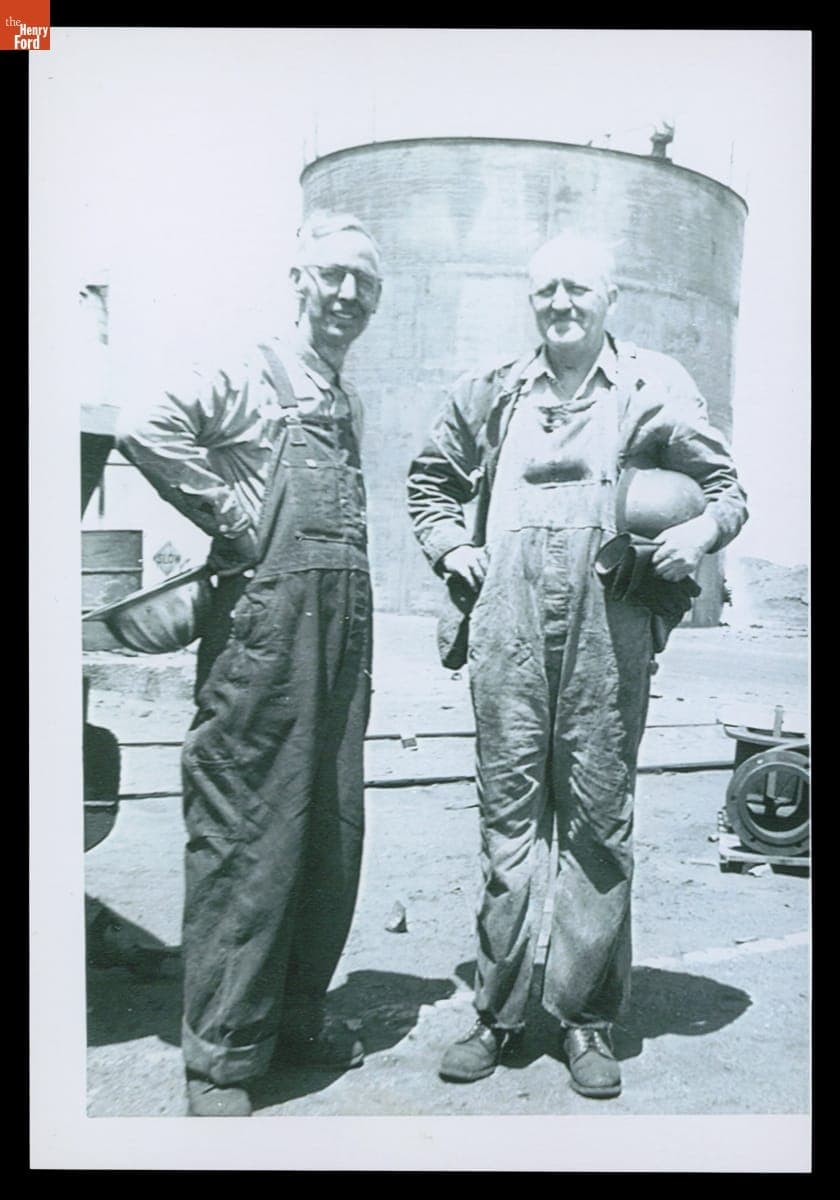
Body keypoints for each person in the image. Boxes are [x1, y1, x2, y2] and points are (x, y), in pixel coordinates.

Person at [406, 232, 747, 1099]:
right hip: (507, 631)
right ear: (533, 301)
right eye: (547, 290)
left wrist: (697, 535)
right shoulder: (491, 392)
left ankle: (587, 1020)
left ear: (610, 298)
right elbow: (428, 483)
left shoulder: (651, 390)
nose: (561, 303)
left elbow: (727, 491)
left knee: (597, 825)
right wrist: (453, 549)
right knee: (508, 821)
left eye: (578, 290)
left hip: (609, 631)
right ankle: (497, 1013)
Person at [117, 211, 383, 1116]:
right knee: (247, 836)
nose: (347, 295)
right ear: (299, 277)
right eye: (333, 276)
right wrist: (230, 521)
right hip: (264, 642)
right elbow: (146, 427)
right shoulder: (254, 369)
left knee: (328, 831)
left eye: (365, 283)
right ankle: (222, 1061)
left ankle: (295, 1018)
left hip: (339, 639)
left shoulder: (342, 396)